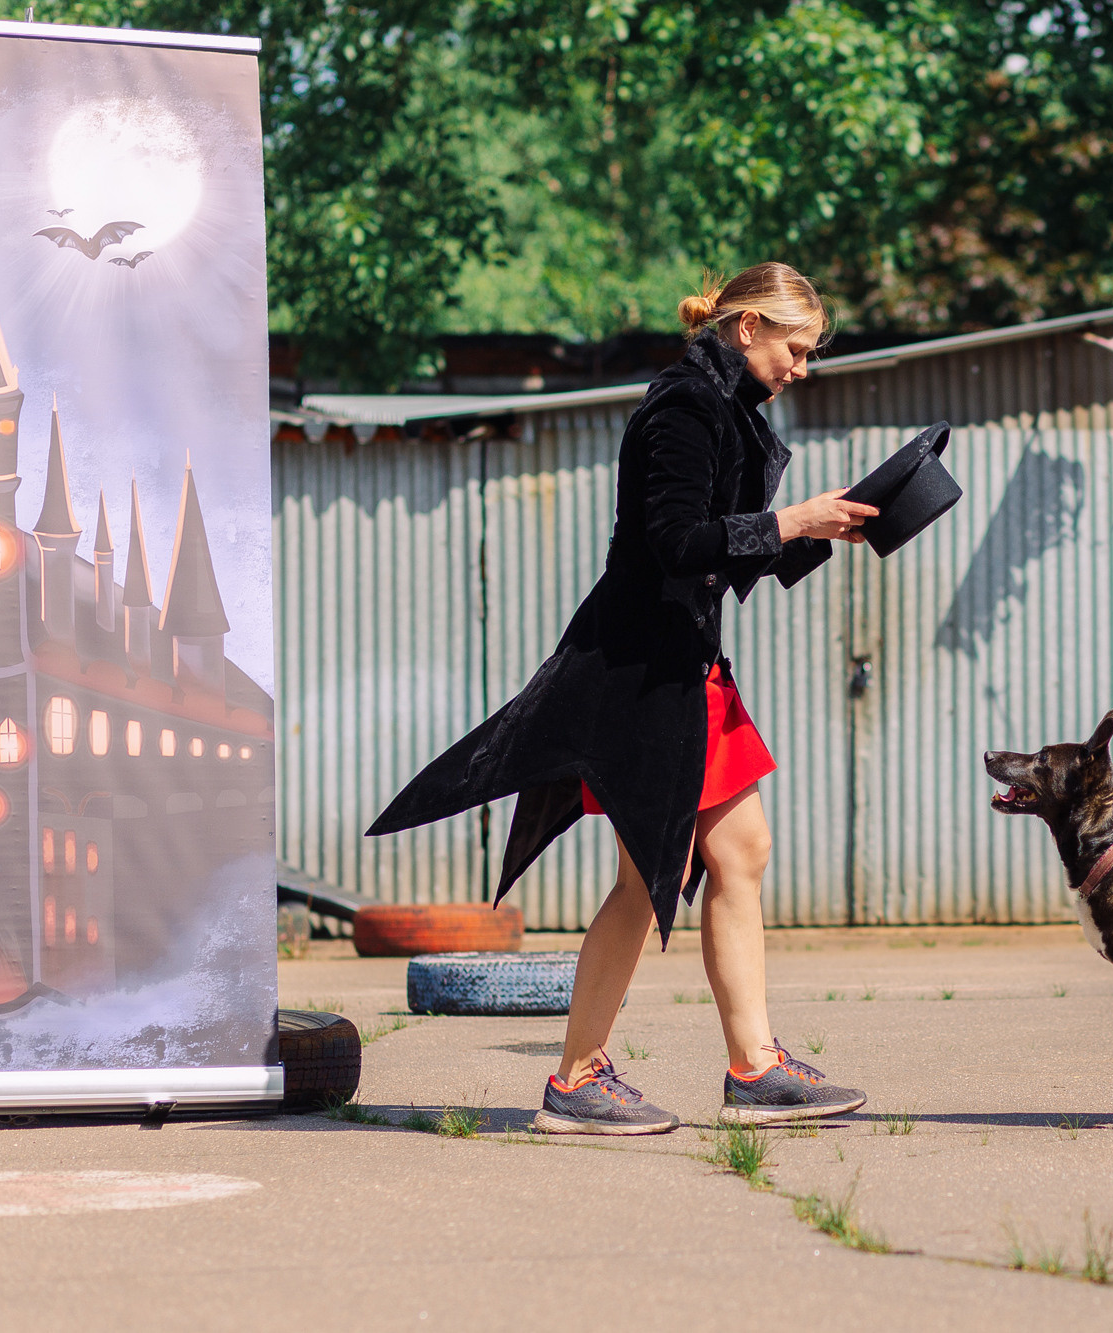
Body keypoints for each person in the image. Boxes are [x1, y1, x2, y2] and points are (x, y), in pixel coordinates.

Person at [368, 263, 877, 1133]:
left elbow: (722, 552)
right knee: (652, 874)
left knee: (740, 848)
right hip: (639, 671)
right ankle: (575, 1080)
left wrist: (836, 526)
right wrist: (791, 522)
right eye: (796, 348)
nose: (803, 367)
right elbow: (676, 542)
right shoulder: (683, 406)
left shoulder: (728, 409)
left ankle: (754, 1067)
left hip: (686, 663)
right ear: (747, 327)